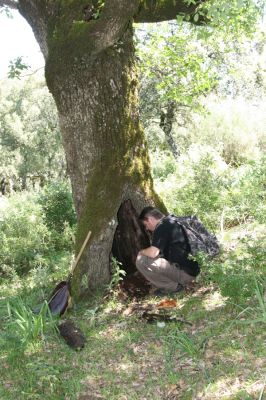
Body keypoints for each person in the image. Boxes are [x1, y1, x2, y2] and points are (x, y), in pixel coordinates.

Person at [136, 207, 200, 295]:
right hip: (195, 269)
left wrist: (141, 252)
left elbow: (153, 253)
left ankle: (172, 287)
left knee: (141, 260)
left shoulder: (161, 226)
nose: (146, 228)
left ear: (150, 219)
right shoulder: (173, 221)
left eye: (145, 224)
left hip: (186, 275)